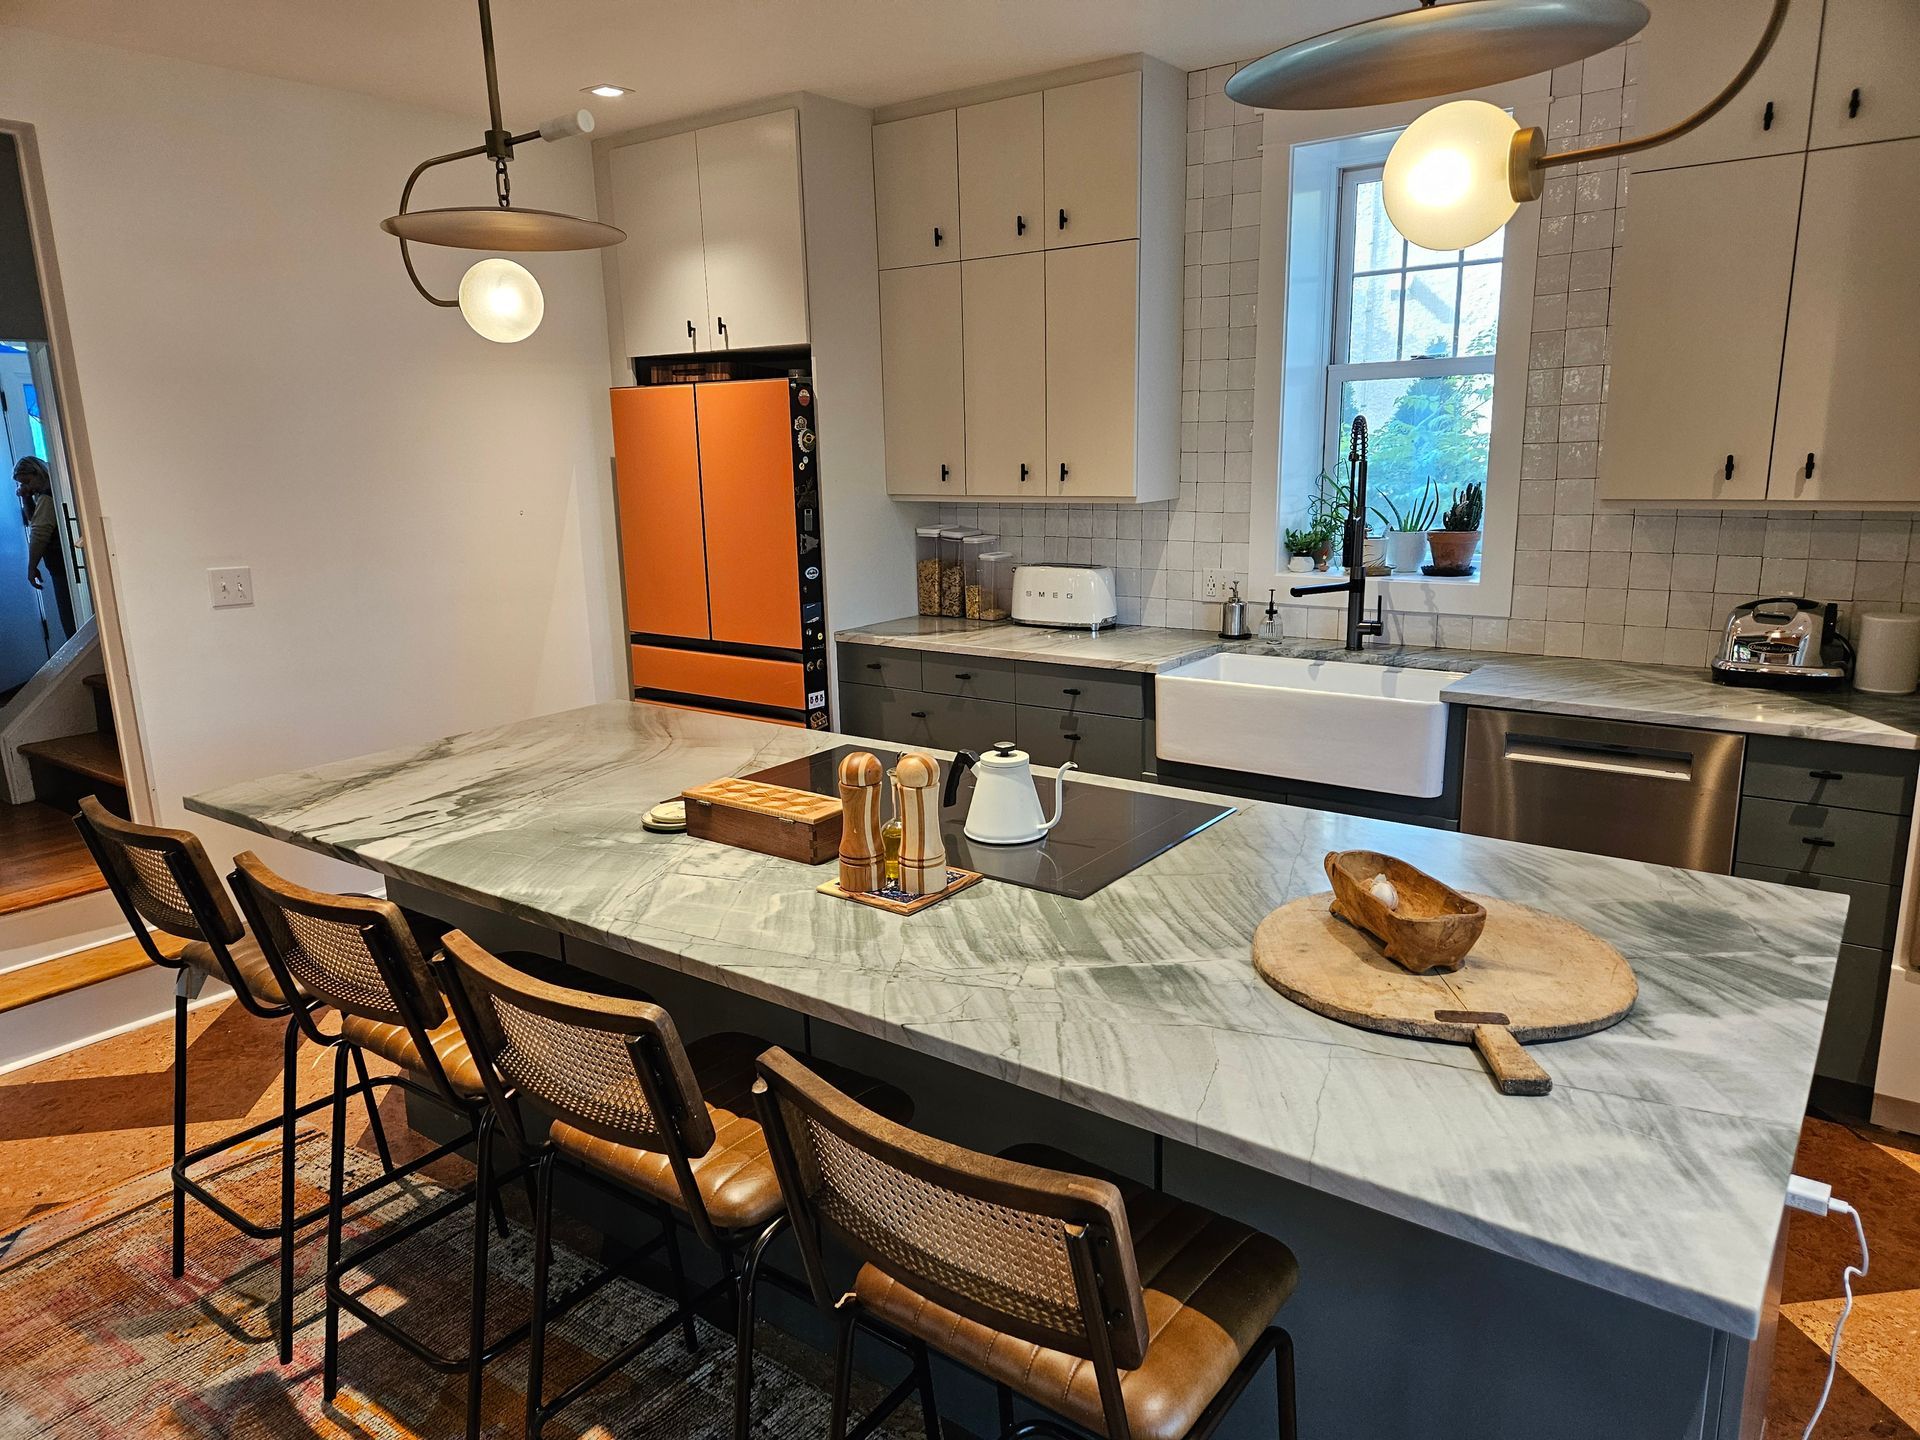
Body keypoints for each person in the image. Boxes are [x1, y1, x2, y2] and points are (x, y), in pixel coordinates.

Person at [14, 456, 74, 641]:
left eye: (27, 481)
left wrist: (31, 566)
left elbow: (39, 530)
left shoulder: (48, 495)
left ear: (38, 472)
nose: (27, 487)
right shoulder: (45, 493)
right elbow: (34, 520)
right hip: (61, 566)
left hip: (63, 566)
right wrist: (26, 498)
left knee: (70, 620)